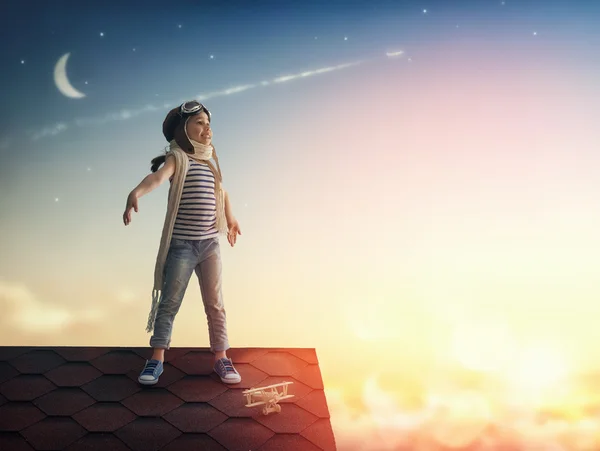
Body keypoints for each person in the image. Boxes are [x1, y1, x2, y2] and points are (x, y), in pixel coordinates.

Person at [123, 100, 242, 385]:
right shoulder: (178, 158)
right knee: (170, 302)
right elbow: (157, 177)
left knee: (215, 303)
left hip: (210, 245)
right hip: (182, 246)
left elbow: (222, 193)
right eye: (199, 123)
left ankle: (221, 358)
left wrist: (231, 218)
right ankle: (156, 359)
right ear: (183, 130)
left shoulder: (211, 163)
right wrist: (136, 192)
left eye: (208, 124)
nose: (206, 129)